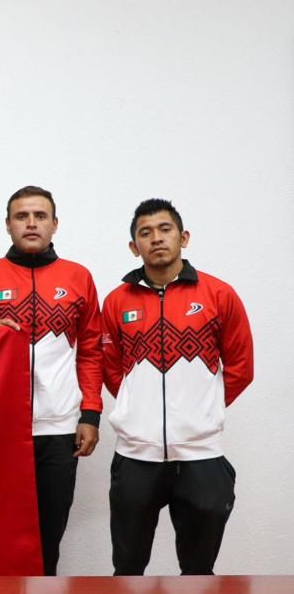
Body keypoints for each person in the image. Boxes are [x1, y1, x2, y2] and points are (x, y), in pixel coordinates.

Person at [102, 198, 253, 575]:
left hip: (201, 456)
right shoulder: (116, 302)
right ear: (133, 246)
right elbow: (110, 368)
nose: (156, 239)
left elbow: (241, 366)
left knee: (199, 570)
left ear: (183, 237)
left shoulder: (219, 295)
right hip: (136, 455)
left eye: (165, 229)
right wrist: (138, 411)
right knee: (128, 568)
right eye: (145, 233)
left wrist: (205, 409)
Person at [0, 186, 102, 576]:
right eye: (22, 216)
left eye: (40, 216)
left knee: (48, 536)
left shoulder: (78, 277)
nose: (32, 223)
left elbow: (91, 351)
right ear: (8, 225)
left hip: (58, 429)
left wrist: (90, 414)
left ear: (55, 224)